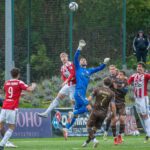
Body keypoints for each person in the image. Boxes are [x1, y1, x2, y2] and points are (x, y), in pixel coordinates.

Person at [63, 40, 110, 139]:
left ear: (86, 62)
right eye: (81, 60)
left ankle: (66, 128)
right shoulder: (78, 69)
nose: (83, 60)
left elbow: (98, 68)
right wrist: (79, 47)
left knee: (76, 116)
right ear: (79, 63)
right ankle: (74, 113)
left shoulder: (89, 71)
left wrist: (105, 63)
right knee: (88, 108)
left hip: (82, 94)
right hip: (78, 93)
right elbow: (75, 57)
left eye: (84, 60)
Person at [0, 68, 36, 150]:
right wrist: (33, 85)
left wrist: (19, 94)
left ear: (11, 74)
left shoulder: (7, 83)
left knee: (0, 125)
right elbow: (30, 89)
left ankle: (3, 144)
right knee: (11, 127)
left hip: (4, 106)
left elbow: (10, 93)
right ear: (18, 75)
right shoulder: (19, 82)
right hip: (12, 108)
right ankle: (2, 144)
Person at [37, 52, 76, 118]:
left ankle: (76, 113)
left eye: (65, 57)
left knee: (73, 101)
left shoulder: (70, 64)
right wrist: (64, 81)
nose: (64, 58)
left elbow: (73, 74)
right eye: (62, 57)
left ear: (67, 57)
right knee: (58, 97)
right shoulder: (62, 67)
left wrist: (66, 81)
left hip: (74, 85)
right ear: (60, 59)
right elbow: (64, 77)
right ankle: (46, 113)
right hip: (68, 85)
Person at [82, 77, 116, 148]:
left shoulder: (97, 89)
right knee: (95, 129)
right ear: (110, 84)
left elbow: (90, 98)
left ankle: (94, 140)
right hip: (103, 114)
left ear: (103, 82)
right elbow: (113, 105)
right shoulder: (112, 93)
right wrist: (114, 114)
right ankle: (86, 142)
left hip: (95, 111)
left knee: (88, 126)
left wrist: (87, 104)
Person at [128, 62, 150, 143]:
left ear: (143, 68)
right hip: (136, 98)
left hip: (143, 98)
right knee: (141, 115)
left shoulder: (146, 75)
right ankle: (147, 133)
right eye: (137, 67)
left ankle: (148, 134)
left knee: (145, 115)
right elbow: (128, 82)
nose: (138, 68)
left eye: (140, 67)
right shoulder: (134, 75)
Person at [111, 70, 128, 144]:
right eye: (119, 74)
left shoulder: (126, 83)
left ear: (124, 76)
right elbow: (109, 83)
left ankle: (120, 135)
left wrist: (117, 87)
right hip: (113, 103)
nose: (120, 76)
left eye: (121, 75)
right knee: (114, 120)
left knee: (122, 119)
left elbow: (124, 92)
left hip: (121, 103)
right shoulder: (114, 80)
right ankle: (115, 138)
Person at [103, 65, 118, 140]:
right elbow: (105, 88)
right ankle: (108, 133)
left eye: (113, 69)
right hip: (111, 99)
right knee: (112, 116)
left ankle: (120, 135)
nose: (112, 70)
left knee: (120, 118)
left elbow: (119, 87)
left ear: (115, 69)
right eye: (110, 69)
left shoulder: (119, 77)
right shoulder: (108, 78)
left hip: (119, 100)